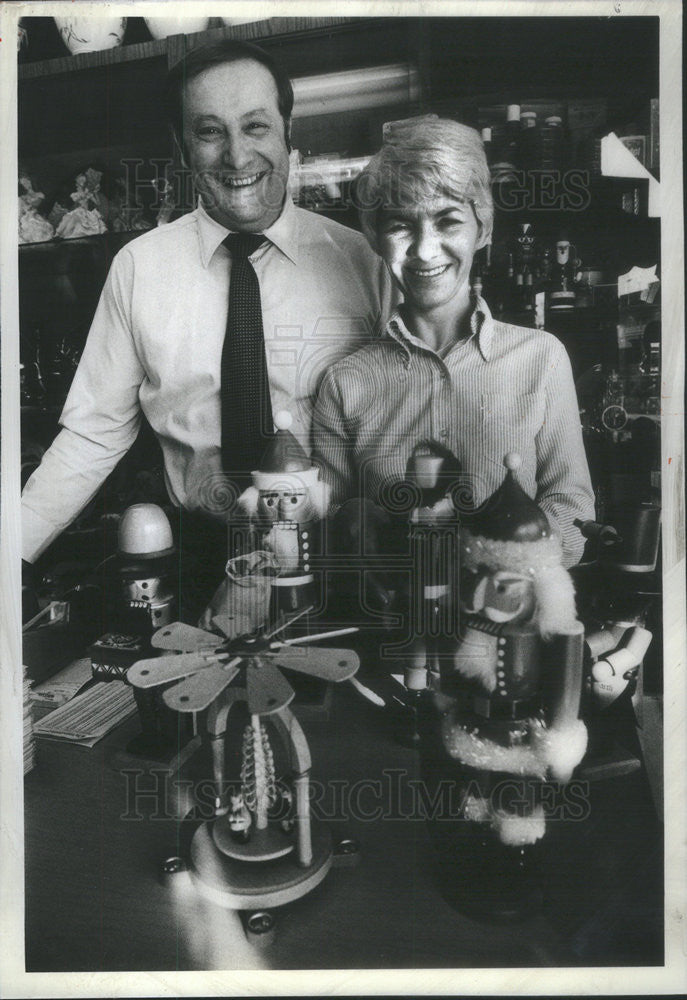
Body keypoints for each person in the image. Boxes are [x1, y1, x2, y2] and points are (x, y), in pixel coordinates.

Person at [21, 39, 393, 575]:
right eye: (210, 131)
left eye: (256, 126)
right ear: (181, 147)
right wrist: (11, 550)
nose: (237, 156)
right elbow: (92, 434)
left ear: (290, 135)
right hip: (194, 562)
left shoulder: (363, 260)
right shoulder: (139, 267)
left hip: (339, 556)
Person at [312, 117, 594, 567]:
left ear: (482, 230)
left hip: (510, 615)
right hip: (395, 621)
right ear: (375, 238)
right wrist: (351, 518)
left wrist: (494, 556)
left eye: (448, 221)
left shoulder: (541, 359)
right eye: (401, 225)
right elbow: (329, 514)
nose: (425, 250)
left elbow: (574, 516)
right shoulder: (344, 383)